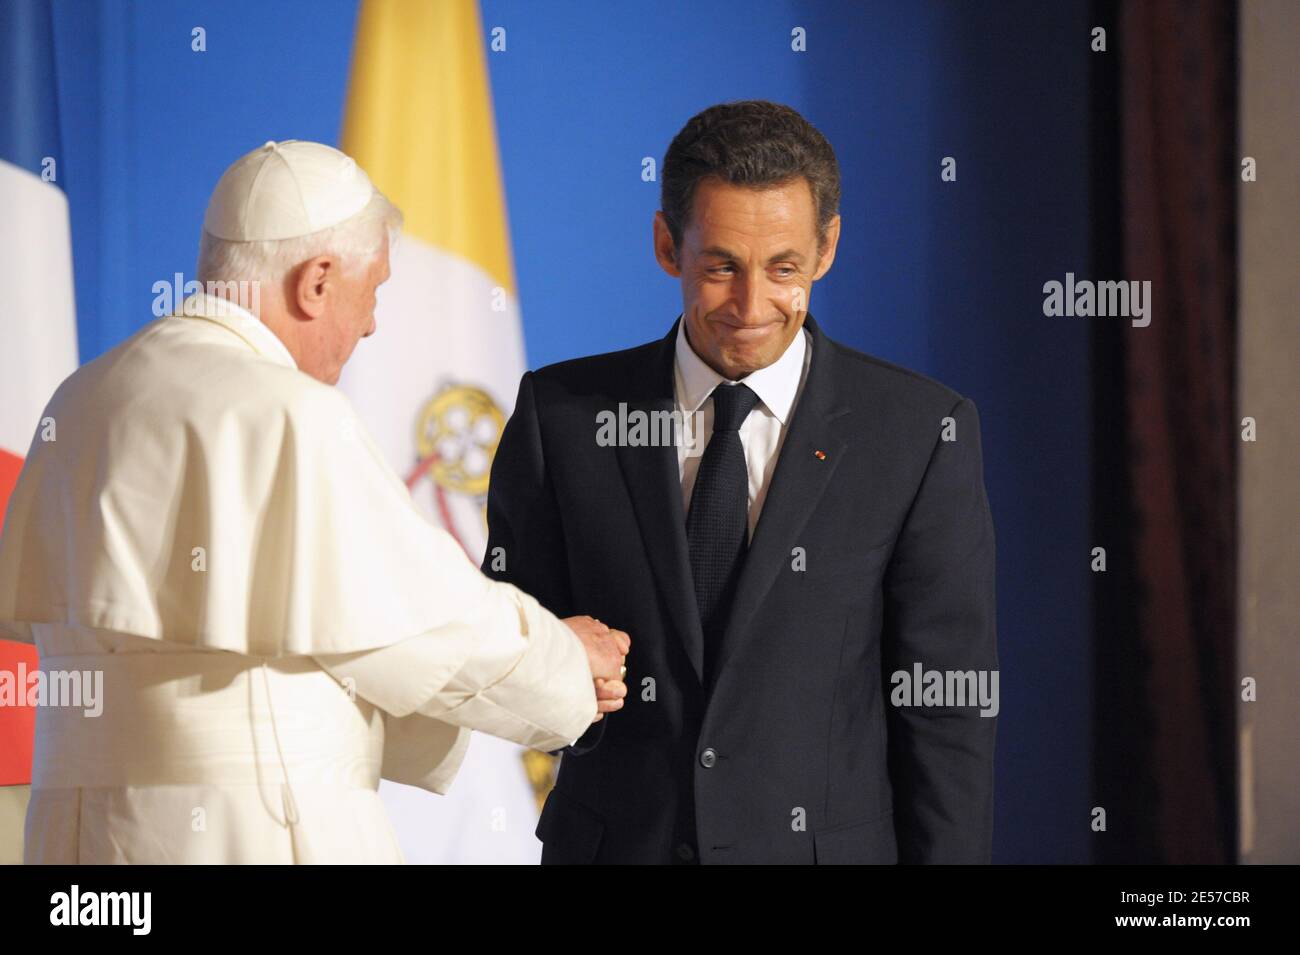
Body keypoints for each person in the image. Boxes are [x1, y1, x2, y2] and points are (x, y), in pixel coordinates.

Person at [0, 140, 628, 864]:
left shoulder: (81, 397)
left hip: (72, 844)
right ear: (317, 281)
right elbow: (426, 624)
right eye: (374, 291)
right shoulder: (288, 410)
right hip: (250, 832)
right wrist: (563, 659)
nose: (371, 325)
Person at [485, 101, 997, 864]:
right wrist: (555, 679)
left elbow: (946, 714)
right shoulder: (561, 416)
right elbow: (508, 650)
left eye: (784, 267)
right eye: (721, 265)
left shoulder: (920, 433)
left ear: (828, 247)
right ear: (667, 244)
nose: (752, 307)